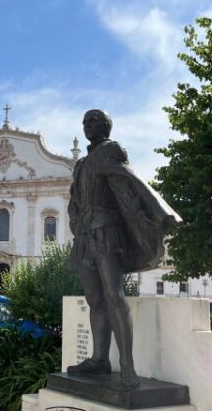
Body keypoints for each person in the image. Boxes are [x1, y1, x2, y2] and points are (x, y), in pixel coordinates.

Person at [67, 109, 179, 387]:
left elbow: (126, 185)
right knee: (94, 299)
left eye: (93, 121)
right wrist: (75, 220)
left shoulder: (111, 151)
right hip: (84, 235)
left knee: (114, 295)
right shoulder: (80, 165)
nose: (87, 126)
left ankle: (127, 366)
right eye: (84, 122)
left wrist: (150, 217)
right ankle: (99, 360)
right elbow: (74, 200)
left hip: (107, 230)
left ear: (106, 126)